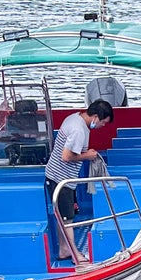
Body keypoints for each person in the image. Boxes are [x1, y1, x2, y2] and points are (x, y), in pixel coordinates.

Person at [45, 96, 114, 267]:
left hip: (60, 177)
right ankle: (76, 256)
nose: (102, 126)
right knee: (67, 219)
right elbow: (66, 156)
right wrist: (88, 156)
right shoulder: (79, 130)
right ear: (96, 117)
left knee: (63, 216)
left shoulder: (75, 118)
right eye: (103, 123)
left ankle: (64, 250)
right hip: (60, 180)